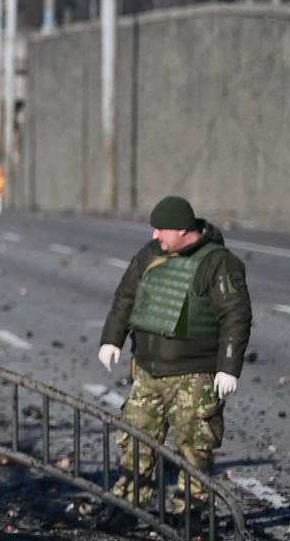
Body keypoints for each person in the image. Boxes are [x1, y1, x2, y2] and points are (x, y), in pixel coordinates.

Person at [98, 195, 251, 514]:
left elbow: (235, 316)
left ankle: (192, 514)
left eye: (161, 229)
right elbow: (126, 297)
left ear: (182, 230)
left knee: (195, 447)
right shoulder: (149, 255)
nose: (154, 235)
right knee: (135, 439)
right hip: (148, 373)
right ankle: (128, 507)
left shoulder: (218, 263)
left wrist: (228, 367)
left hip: (194, 376)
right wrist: (112, 339)